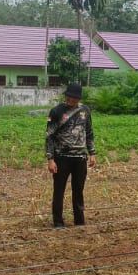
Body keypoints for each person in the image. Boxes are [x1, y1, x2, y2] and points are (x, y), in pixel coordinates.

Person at [46, 82, 96, 228]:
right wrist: (50, 159)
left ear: (79, 98)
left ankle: (79, 221)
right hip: (61, 158)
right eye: (69, 97)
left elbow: (89, 132)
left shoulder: (85, 111)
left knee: (78, 190)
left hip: (80, 158)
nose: (71, 100)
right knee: (59, 190)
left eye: (74, 98)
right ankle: (58, 222)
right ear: (65, 96)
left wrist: (92, 153)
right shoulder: (56, 111)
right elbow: (49, 137)